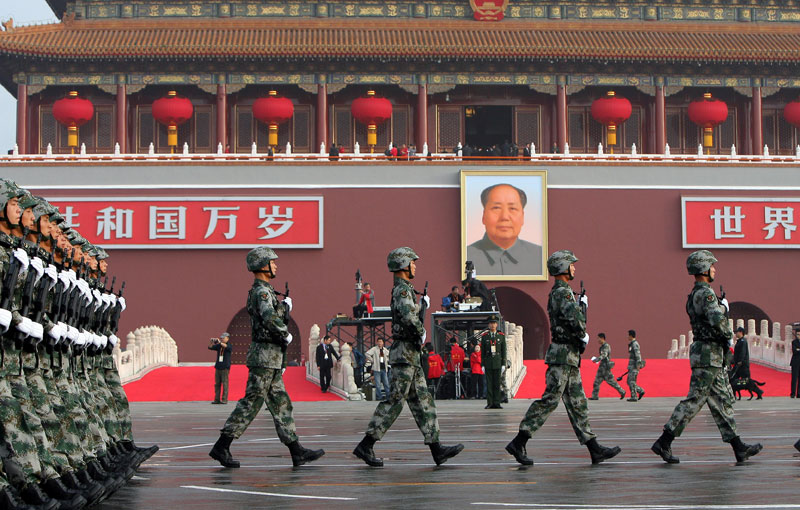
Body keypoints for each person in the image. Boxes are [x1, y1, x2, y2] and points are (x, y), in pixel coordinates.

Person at [209, 246, 324, 468]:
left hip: (270, 357)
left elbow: (271, 314)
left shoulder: (267, 292)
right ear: (263, 265)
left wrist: (283, 307)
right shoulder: (262, 292)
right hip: (264, 356)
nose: (276, 265)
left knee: (281, 403)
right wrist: (285, 333)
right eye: (273, 261)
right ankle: (221, 446)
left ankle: (296, 450)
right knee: (251, 402)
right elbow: (268, 317)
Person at [505, 250, 620, 466]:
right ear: (562, 268)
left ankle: (594, 449)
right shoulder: (563, 292)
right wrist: (582, 316)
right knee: (549, 400)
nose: (574, 268)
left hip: (568, 356)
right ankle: (519, 441)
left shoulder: (562, 292)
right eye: (571, 264)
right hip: (563, 355)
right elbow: (575, 320)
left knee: (578, 403)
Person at [353, 247, 464, 467]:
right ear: (403, 264)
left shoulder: (406, 289)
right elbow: (406, 316)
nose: (415, 265)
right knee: (395, 401)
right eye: (412, 262)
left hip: (410, 354)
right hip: (404, 353)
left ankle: (436, 448)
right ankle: (366, 445)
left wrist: (421, 307)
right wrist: (420, 329)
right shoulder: (403, 291)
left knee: (423, 401)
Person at [652, 250, 762, 464]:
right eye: (711, 266)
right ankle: (664, 441)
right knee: (695, 399)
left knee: (721, 401)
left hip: (706, 353)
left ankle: (739, 448)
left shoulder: (695, 295)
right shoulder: (706, 294)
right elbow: (716, 320)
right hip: (709, 354)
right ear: (703, 269)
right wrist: (727, 330)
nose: (714, 269)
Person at [466, 183, 543, 276]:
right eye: (496, 208)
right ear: (483, 216)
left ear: (522, 216)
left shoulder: (540, 256)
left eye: (513, 208)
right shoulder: (465, 256)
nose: (504, 217)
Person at [589, 333, 626, 400]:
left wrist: (597, 359)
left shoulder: (606, 346)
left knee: (612, 382)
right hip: (601, 367)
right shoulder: (601, 347)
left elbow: (604, 355)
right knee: (596, 382)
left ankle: (622, 391)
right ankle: (595, 396)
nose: (598, 340)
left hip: (606, 368)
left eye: (598, 338)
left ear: (602, 338)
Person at [480, 316, 506, 409]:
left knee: (497, 384)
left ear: (497, 324)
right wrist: (482, 364)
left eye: (494, 323)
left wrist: (503, 364)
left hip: (498, 362)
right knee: (489, 384)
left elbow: (504, 351)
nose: (492, 325)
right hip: (488, 362)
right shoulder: (485, 337)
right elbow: (482, 352)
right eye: (491, 323)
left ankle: (497, 402)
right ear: (488, 325)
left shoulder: (501, 336)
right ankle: (490, 402)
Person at [208, 332, 233, 404]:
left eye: (223, 338)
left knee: (225, 383)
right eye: (221, 338)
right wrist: (211, 342)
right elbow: (210, 347)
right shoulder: (219, 346)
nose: (222, 339)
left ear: (227, 338)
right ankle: (217, 399)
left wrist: (220, 342)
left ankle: (224, 400)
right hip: (218, 366)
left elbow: (227, 347)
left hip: (225, 367)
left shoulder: (229, 345)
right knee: (217, 384)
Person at [626, 330, 645, 402]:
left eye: (628, 335)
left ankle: (634, 396)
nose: (627, 337)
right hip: (631, 366)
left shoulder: (635, 344)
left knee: (632, 381)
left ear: (631, 336)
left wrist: (638, 365)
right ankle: (640, 390)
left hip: (634, 366)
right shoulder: (631, 344)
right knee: (629, 381)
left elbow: (638, 355)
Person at [791, 329, 800, 398]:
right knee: (794, 378)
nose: (798, 336)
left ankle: (799, 393)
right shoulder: (794, 342)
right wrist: (797, 350)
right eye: (798, 335)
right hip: (795, 362)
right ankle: (793, 393)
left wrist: (798, 349)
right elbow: (794, 351)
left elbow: (797, 350)